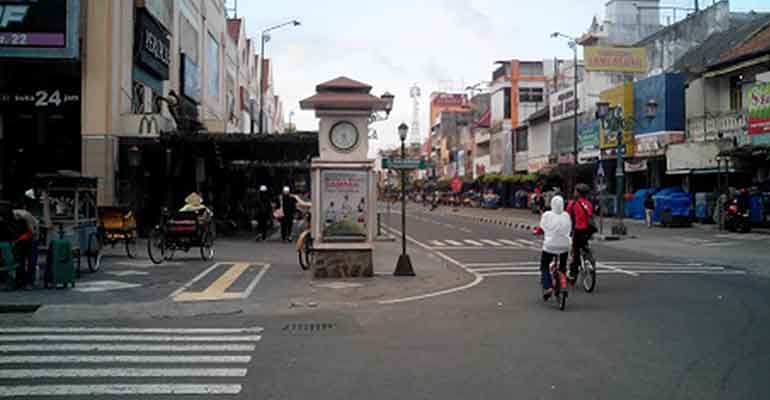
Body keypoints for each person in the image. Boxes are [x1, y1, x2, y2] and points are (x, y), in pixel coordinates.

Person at [538, 196, 572, 300]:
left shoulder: (547, 215)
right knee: (562, 266)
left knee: (544, 266)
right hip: (565, 245)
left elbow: (542, 228)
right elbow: (569, 228)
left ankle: (548, 287)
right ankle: (563, 281)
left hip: (550, 246)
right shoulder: (566, 215)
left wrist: (539, 232)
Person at [566, 183, 594, 282]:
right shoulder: (589, 204)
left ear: (578, 193)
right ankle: (589, 258)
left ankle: (573, 274)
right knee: (584, 246)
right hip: (588, 230)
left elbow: (567, 217)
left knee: (575, 253)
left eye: (575, 191)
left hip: (577, 230)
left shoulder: (572, 204)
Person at [12, 190, 39, 290]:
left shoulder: (26, 215)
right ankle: (21, 282)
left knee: (31, 262)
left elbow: (32, 232)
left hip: (32, 239)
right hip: (22, 240)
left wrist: (19, 239)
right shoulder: (13, 216)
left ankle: (29, 282)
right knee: (20, 262)